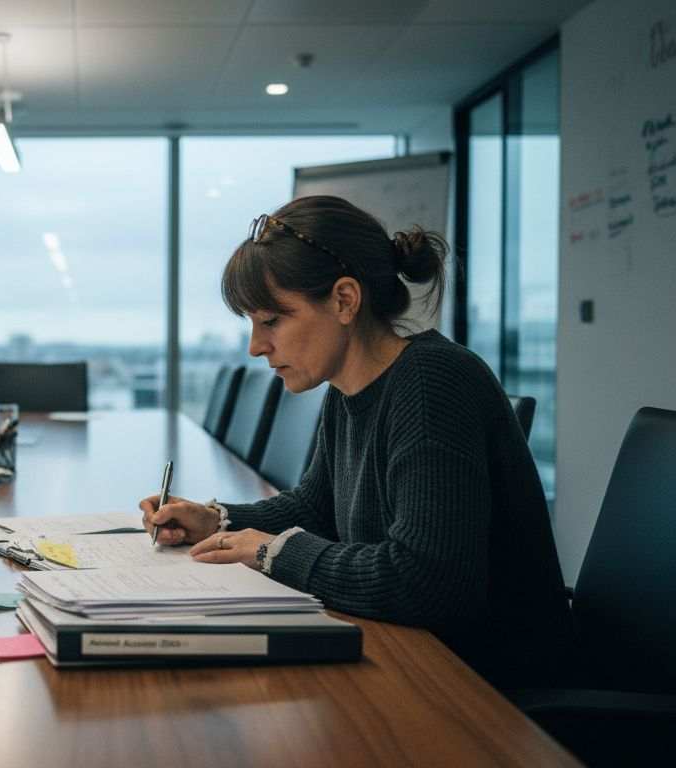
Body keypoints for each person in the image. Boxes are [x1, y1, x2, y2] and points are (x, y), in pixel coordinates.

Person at [141, 195, 580, 689]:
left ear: (344, 300)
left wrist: (272, 553)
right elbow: (318, 507)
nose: (256, 346)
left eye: (272, 320)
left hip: (486, 693)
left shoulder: (432, 383)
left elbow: (428, 581)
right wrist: (218, 521)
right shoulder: (350, 389)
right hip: (416, 661)